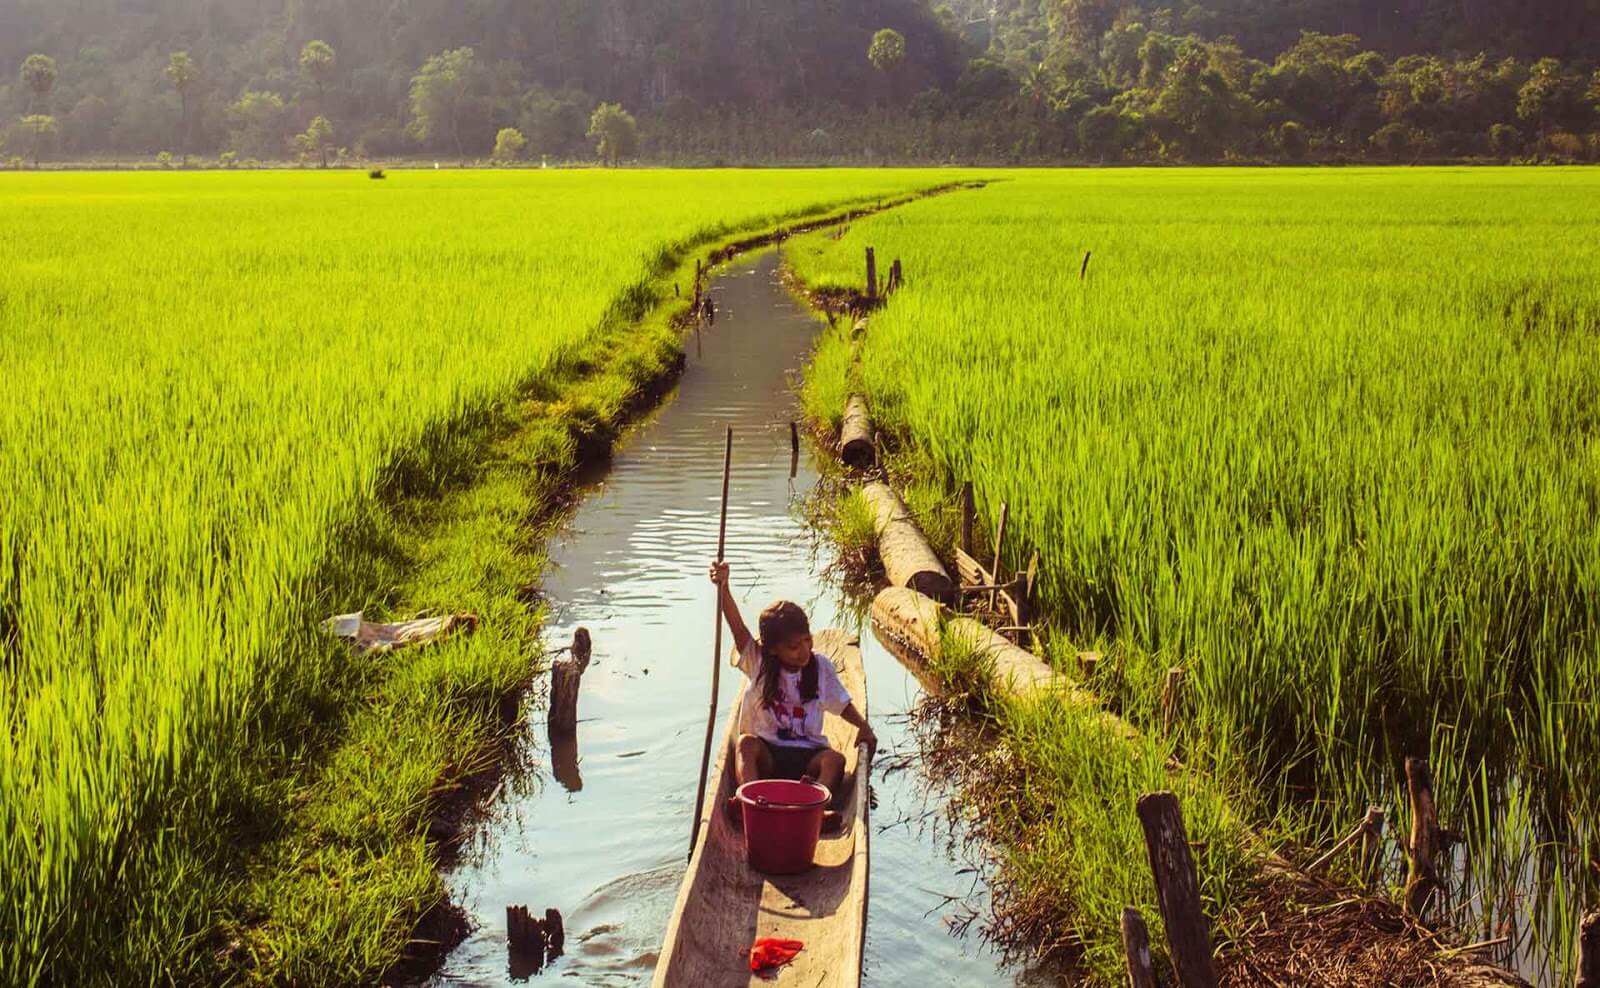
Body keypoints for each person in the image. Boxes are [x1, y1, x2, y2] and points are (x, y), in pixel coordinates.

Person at [709, 561, 876, 830]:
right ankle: (751, 802)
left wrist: (863, 726)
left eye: (807, 641)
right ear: (773, 650)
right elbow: (738, 629)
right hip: (770, 755)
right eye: (793, 647)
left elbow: (842, 704)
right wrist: (724, 588)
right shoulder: (760, 663)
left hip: (807, 757)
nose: (804, 651)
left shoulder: (820, 666)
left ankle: (811, 811)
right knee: (745, 745)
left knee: (835, 760)